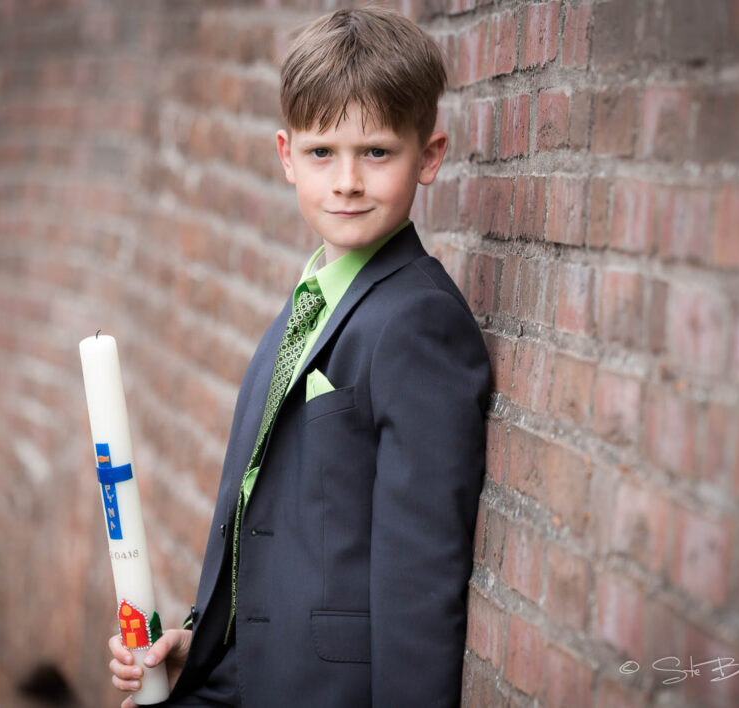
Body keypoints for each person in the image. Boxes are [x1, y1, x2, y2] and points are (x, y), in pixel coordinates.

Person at [108, 7, 490, 707]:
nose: (346, 180)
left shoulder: (419, 322)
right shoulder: (309, 303)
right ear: (286, 155)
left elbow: (420, 580)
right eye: (322, 153)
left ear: (428, 156)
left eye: (376, 152)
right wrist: (201, 642)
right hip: (241, 674)